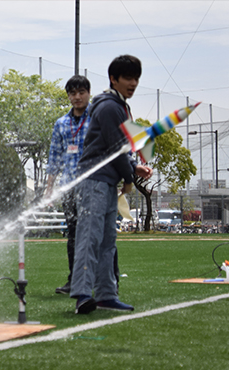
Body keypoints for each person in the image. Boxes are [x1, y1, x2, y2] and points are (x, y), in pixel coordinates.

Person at [70, 55, 153, 314]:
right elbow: (117, 149)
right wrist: (130, 175)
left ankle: (106, 294)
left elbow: (117, 148)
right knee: (90, 239)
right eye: (128, 78)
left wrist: (132, 168)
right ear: (113, 79)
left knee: (108, 241)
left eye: (136, 78)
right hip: (94, 182)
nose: (133, 83)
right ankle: (83, 294)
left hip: (106, 182)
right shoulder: (109, 107)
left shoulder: (118, 106)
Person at [45, 75, 91, 295]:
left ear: (88, 94)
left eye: (81, 92)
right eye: (73, 93)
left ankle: (102, 281)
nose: (77, 97)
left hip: (94, 187)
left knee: (94, 234)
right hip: (69, 188)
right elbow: (54, 157)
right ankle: (74, 279)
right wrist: (49, 188)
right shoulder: (61, 123)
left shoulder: (97, 119)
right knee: (73, 235)